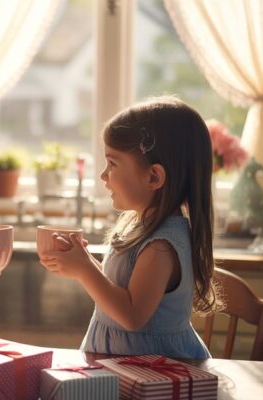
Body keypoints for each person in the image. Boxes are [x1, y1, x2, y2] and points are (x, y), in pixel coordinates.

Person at [39, 96, 220, 359]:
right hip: (125, 367)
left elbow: (132, 315)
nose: (103, 175)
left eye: (112, 163)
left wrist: (85, 269)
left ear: (153, 177)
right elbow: (122, 289)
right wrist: (84, 261)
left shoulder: (161, 246)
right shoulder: (139, 225)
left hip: (156, 372)